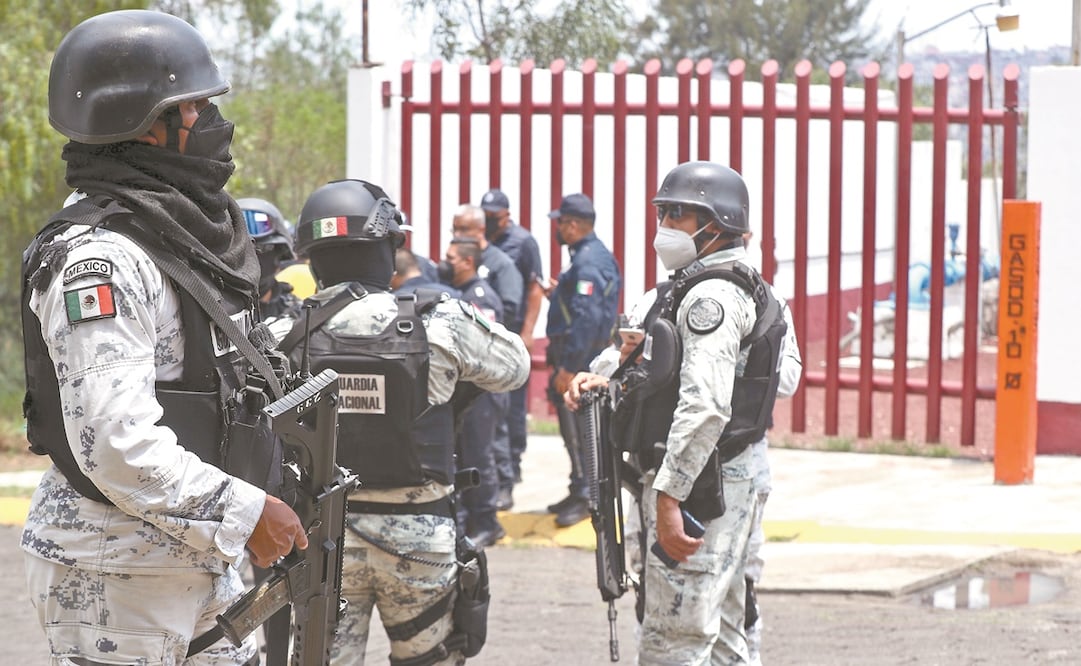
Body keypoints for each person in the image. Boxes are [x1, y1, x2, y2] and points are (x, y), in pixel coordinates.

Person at [20, 10, 308, 665]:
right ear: (145, 124)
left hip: (196, 556)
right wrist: (245, 511)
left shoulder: (172, 239)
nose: (214, 124)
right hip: (114, 574)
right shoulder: (101, 260)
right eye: (196, 107)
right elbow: (113, 442)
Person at [281, 179, 530, 665]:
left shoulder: (284, 333)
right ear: (388, 247)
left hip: (325, 537)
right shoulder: (439, 322)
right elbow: (515, 368)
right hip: (419, 539)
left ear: (312, 257)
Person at [564, 161, 787, 664]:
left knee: (673, 639)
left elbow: (706, 404)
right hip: (726, 475)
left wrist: (670, 495)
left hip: (700, 483)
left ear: (717, 224)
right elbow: (645, 355)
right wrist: (612, 371)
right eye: (663, 211)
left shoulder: (709, 298)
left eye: (676, 213)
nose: (663, 224)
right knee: (727, 631)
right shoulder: (703, 288)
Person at [543, 192, 621, 527]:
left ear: (573, 226)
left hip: (581, 364)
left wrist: (569, 368)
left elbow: (588, 318)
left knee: (583, 433)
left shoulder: (588, 260)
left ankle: (590, 499)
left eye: (561, 222)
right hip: (577, 359)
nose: (558, 228)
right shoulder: (586, 256)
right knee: (573, 433)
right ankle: (579, 490)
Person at [450, 204, 523, 510]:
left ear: (479, 231)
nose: (457, 234)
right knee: (477, 442)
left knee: (491, 438)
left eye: (463, 229)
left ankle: (495, 500)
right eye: (454, 228)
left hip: (493, 362)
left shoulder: (500, 264)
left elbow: (506, 310)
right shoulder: (461, 273)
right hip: (470, 370)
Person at [479, 189, 545, 509]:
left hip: (512, 333)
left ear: (507, 214)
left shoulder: (523, 242)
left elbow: (535, 287)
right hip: (483, 337)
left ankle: (512, 469)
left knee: (513, 407)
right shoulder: (480, 242)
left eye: (495, 216)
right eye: (486, 215)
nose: (490, 221)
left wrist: (529, 331)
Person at [441, 238, 507, 548]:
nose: (445, 262)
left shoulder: (480, 296)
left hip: (482, 391)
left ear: (467, 261)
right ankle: (469, 518)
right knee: (465, 453)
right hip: (466, 390)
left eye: (451, 258)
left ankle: (488, 522)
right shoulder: (461, 295)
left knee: (480, 454)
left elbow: (485, 347)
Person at [239, 197, 303, 340]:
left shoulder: (297, 313)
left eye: (262, 249)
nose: (253, 258)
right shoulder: (212, 312)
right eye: (244, 251)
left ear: (280, 255)